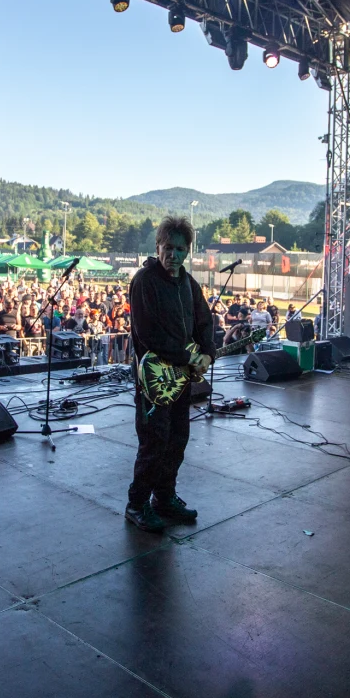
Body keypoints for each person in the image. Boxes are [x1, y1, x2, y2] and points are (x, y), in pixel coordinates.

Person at [125, 216, 215, 534]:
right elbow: (148, 334)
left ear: (188, 251)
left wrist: (208, 350)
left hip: (180, 377)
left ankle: (164, 498)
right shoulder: (144, 281)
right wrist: (189, 357)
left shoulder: (188, 283)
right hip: (154, 379)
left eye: (180, 249)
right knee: (154, 442)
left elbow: (205, 320)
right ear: (157, 247)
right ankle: (137, 504)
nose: (173, 255)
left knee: (177, 439)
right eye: (168, 248)